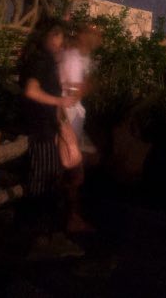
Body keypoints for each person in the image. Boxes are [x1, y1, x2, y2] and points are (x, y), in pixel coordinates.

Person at [17, 17, 83, 255]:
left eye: (61, 36)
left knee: (49, 182)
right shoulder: (40, 60)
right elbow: (31, 91)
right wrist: (60, 101)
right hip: (40, 130)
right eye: (55, 35)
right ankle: (37, 240)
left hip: (46, 128)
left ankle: (42, 237)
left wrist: (60, 120)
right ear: (44, 35)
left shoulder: (44, 61)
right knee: (42, 185)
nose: (60, 41)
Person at [57, 23, 103, 234]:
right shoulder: (74, 58)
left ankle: (68, 215)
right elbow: (73, 90)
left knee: (77, 167)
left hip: (73, 116)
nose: (99, 39)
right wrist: (86, 86)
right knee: (74, 172)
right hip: (70, 117)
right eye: (94, 34)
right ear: (85, 37)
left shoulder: (81, 57)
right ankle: (70, 219)